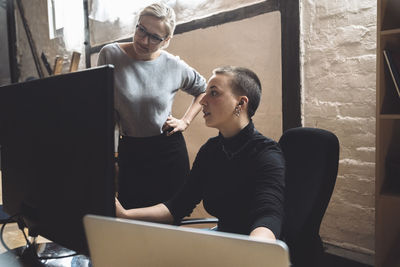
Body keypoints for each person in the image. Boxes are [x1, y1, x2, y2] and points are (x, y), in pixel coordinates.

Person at [116, 66, 285, 240]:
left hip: (253, 248)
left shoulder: (267, 154)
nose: (203, 101)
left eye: (213, 93)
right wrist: (125, 215)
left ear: (241, 103)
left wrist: (254, 250)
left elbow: (269, 216)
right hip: (222, 239)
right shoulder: (211, 150)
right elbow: (178, 206)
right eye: (204, 93)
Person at [97, 3, 207, 209]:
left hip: (168, 152)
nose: (143, 40)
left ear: (166, 40)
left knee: (170, 224)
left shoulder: (174, 66)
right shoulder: (110, 54)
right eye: (141, 30)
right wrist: (110, 157)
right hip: (131, 152)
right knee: (131, 221)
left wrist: (185, 121)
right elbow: (104, 111)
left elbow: (204, 89)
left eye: (154, 37)